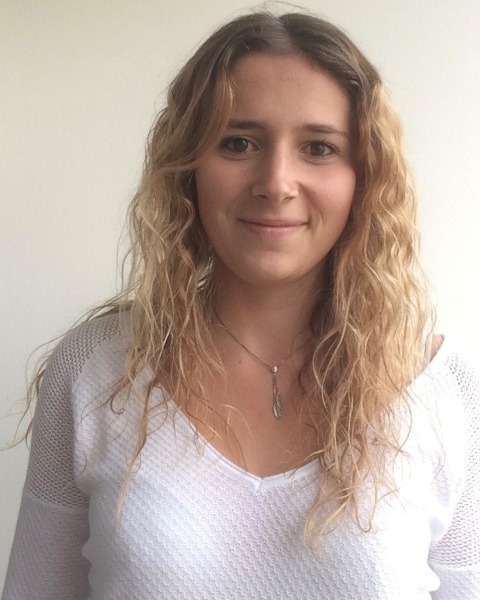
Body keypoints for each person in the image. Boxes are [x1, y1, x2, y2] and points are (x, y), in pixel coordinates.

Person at [2, 9, 479, 600]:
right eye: (238, 143)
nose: (276, 182)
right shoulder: (96, 370)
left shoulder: (445, 392)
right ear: (187, 168)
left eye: (319, 147)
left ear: (365, 177)